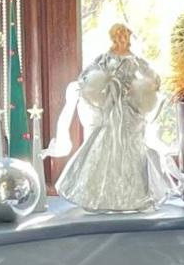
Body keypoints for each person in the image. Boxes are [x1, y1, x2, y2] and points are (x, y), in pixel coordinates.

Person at [49, 24, 173, 213]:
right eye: (120, 35)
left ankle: (135, 196)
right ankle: (99, 195)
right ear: (114, 37)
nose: (123, 38)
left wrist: (142, 88)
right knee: (104, 143)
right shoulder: (105, 58)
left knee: (133, 148)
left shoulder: (135, 59)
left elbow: (154, 77)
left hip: (130, 110)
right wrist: (103, 86)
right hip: (111, 107)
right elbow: (84, 77)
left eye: (125, 35)